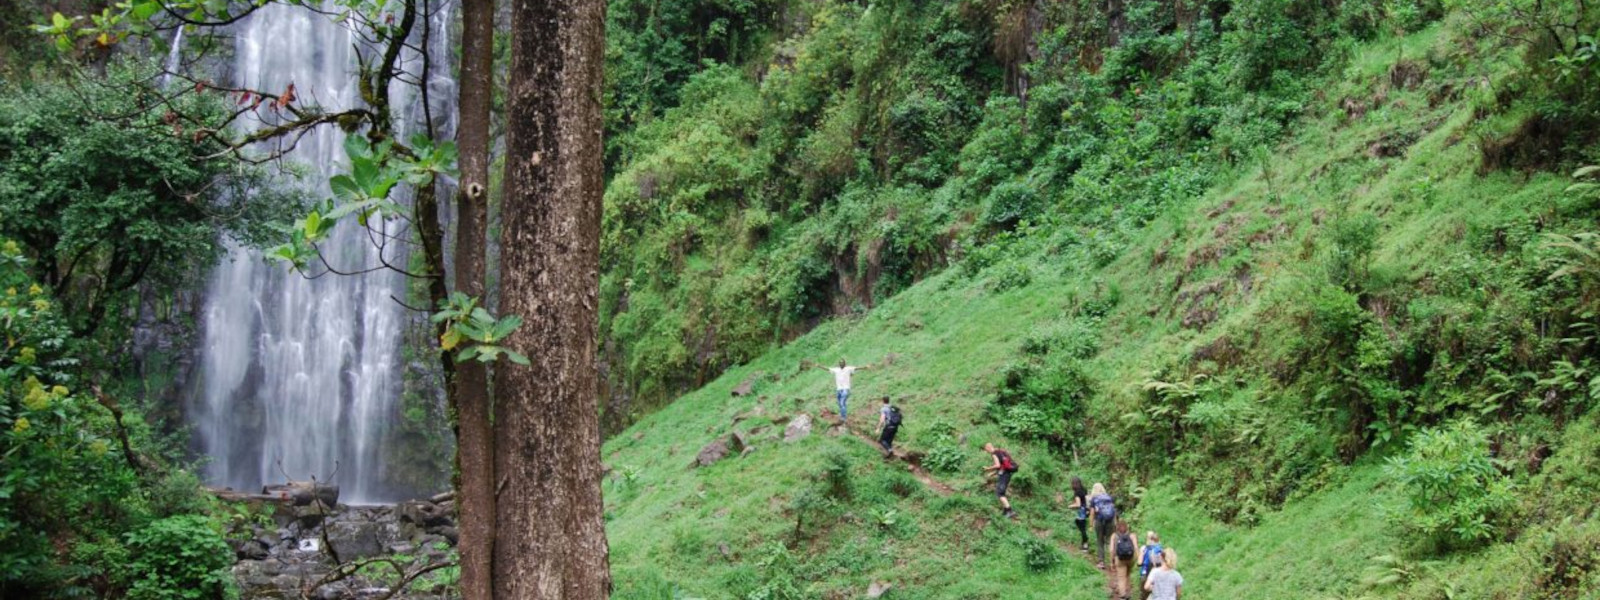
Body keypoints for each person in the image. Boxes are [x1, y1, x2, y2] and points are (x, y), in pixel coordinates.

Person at [982, 443, 1019, 519]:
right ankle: (1005, 511)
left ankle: (1009, 511)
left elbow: (998, 465)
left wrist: (988, 468)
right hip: (1007, 474)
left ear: (988, 448)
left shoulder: (994, 453)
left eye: (986, 450)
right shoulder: (1000, 451)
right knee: (1002, 492)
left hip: (1004, 475)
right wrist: (992, 474)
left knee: (999, 493)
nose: (986, 451)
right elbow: (1002, 466)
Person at [1108, 520, 1139, 600]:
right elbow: (1135, 547)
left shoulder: (1114, 535)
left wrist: (1112, 561)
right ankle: (1127, 591)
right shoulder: (1132, 535)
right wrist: (1138, 559)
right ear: (1127, 527)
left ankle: (1123, 594)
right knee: (1127, 574)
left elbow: (1111, 550)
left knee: (1121, 576)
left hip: (1119, 559)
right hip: (1130, 558)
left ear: (1117, 527)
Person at [1088, 482, 1117, 568]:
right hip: (1110, 521)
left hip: (1099, 521)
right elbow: (1114, 511)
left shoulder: (1094, 499)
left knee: (1100, 541)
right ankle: (1113, 561)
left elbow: (1092, 513)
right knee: (1110, 541)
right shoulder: (1109, 497)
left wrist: (1090, 525)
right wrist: (1115, 522)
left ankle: (1101, 562)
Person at [1137, 531, 1164, 599]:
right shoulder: (1161, 549)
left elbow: (1139, 563)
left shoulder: (1144, 548)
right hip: (1157, 575)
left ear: (1149, 539)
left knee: (1144, 594)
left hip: (1145, 574)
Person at [1067, 477, 1090, 552]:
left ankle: (1085, 544)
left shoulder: (1077, 492)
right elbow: (1086, 500)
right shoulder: (1084, 489)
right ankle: (1084, 542)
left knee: (1082, 528)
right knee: (1078, 523)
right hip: (1086, 510)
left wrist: (1070, 506)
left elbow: (1078, 504)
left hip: (1081, 511)